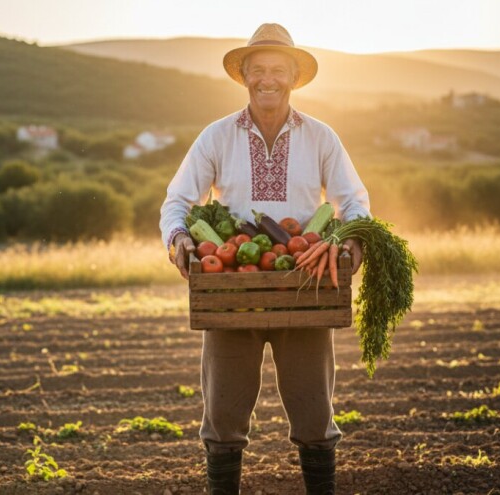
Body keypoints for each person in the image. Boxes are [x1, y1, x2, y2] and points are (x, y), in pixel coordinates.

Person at [159, 23, 371, 495]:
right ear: (245, 77)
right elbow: (176, 201)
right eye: (259, 70)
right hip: (232, 286)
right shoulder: (216, 137)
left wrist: (355, 240)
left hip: (307, 283)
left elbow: (353, 202)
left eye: (278, 70)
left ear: (294, 77)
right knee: (223, 420)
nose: (268, 79)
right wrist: (178, 239)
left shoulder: (321, 137)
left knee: (316, 416)